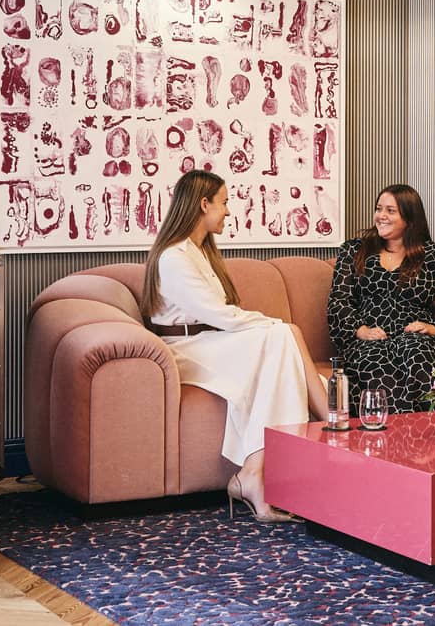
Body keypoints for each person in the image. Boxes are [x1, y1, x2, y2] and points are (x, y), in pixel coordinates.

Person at [141, 170, 329, 523]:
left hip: (208, 339)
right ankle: (331, 424)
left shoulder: (199, 252)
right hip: (185, 347)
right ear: (203, 204)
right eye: (224, 203)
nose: (228, 211)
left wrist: (276, 327)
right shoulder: (174, 257)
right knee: (281, 334)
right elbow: (218, 313)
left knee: (282, 341)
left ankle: (254, 472)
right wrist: (270, 322)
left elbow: (221, 315)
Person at [326, 185, 435, 411]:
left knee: (419, 360)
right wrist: (360, 330)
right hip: (369, 337)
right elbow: (339, 301)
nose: (381, 216)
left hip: (415, 337)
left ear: (409, 218)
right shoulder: (354, 250)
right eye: (379, 209)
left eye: (390, 211)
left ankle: (433, 439)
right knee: (378, 367)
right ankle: (391, 442)